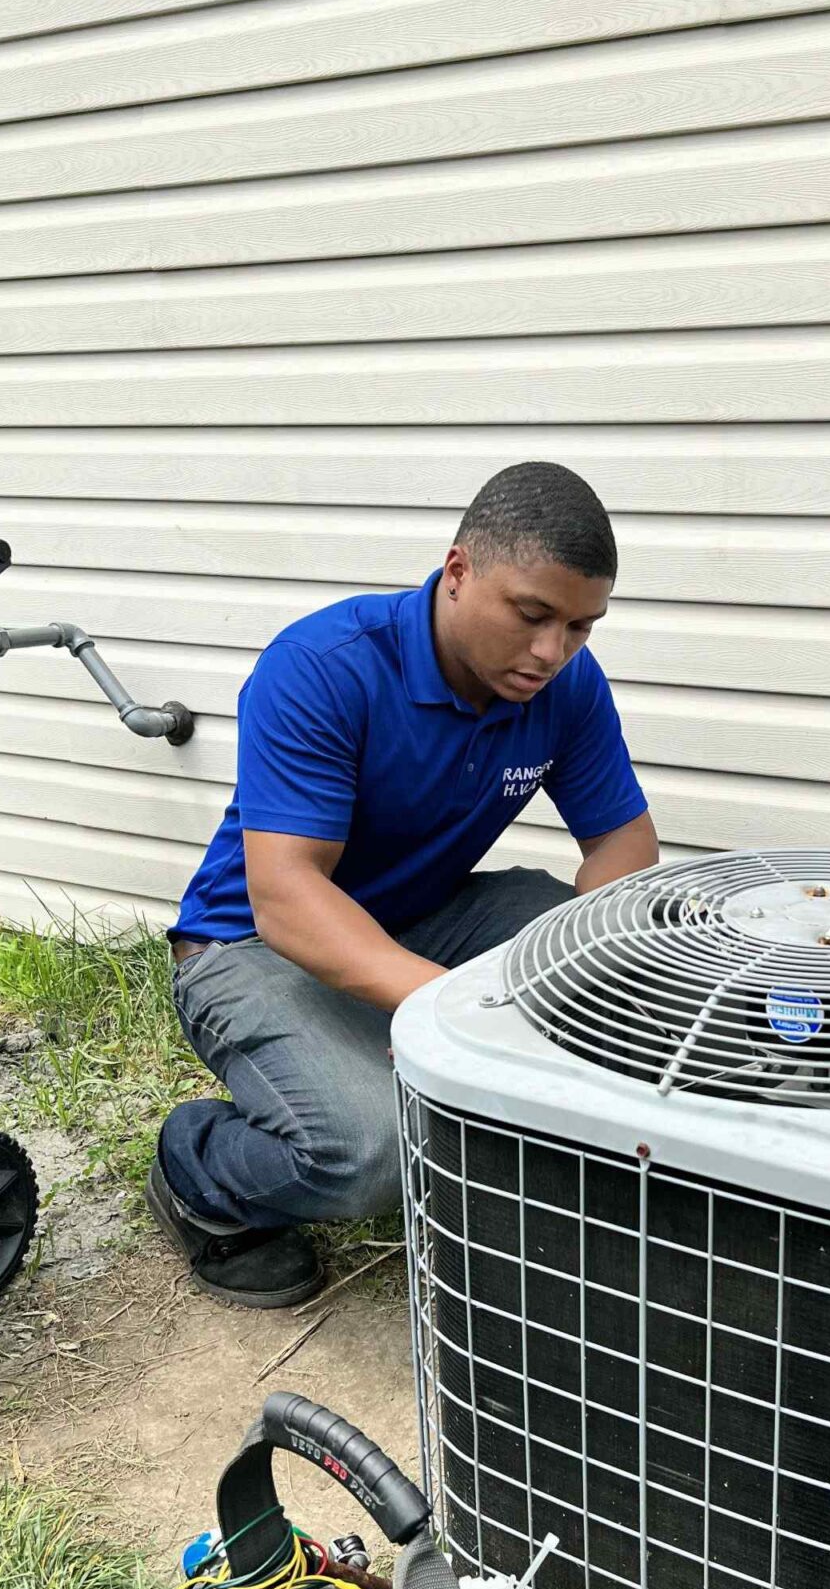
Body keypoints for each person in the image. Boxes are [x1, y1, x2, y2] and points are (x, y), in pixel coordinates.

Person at [149, 462, 659, 1307]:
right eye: (532, 616)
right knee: (372, 1148)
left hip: (420, 919)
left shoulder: (564, 685)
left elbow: (621, 841)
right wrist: (455, 1013)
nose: (551, 652)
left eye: (580, 627)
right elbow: (286, 898)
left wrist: (579, 982)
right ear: (458, 571)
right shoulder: (325, 667)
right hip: (252, 947)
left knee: (579, 941)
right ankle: (200, 1169)